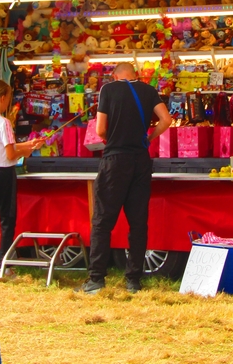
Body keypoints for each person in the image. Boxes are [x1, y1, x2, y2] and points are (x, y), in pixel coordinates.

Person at [78, 62, 171, 294]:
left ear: (114, 75)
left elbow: (100, 129)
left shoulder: (108, 90)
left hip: (115, 160)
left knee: (102, 221)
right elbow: (167, 120)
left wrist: (113, 139)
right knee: (138, 223)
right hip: (140, 160)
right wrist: (149, 139)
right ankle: (133, 281)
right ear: (135, 74)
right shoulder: (148, 90)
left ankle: (96, 279)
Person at [0, 80, 44, 274]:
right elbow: (11, 154)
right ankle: (6, 264)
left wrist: (27, 146)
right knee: (7, 219)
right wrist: (25, 150)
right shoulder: (3, 123)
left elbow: (5, 149)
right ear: (3, 98)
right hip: (4, 174)